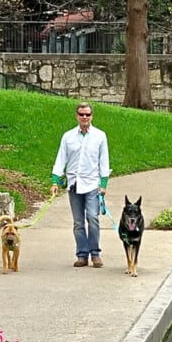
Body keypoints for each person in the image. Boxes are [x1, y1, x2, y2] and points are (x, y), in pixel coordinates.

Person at [50, 103, 110, 268]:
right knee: (78, 222)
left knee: (92, 217)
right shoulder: (68, 136)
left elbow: (104, 161)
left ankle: (95, 254)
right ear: (77, 116)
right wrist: (55, 181)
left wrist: (103, 184)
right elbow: (61, 159)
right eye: (82, 114)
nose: (85, 117)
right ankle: (82, 254)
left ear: (92, 116)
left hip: (92, 183)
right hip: (74, 184)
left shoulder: (100, 136)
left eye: (87, 115)